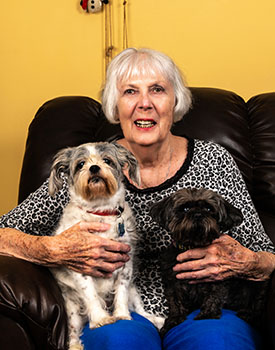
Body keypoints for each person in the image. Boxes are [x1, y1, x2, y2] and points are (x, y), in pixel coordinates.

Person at [0, 47, 274, 350]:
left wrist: (245, 262)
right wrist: (49, 249)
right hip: (122, 309)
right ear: (115, 107)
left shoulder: (215, 160)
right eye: (130, 91)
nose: (145, 104)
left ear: (176, 102)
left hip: (204, 307)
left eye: (157, 90)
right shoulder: (84, 166)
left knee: (218, 342)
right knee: (117, 341)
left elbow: (266, 254)